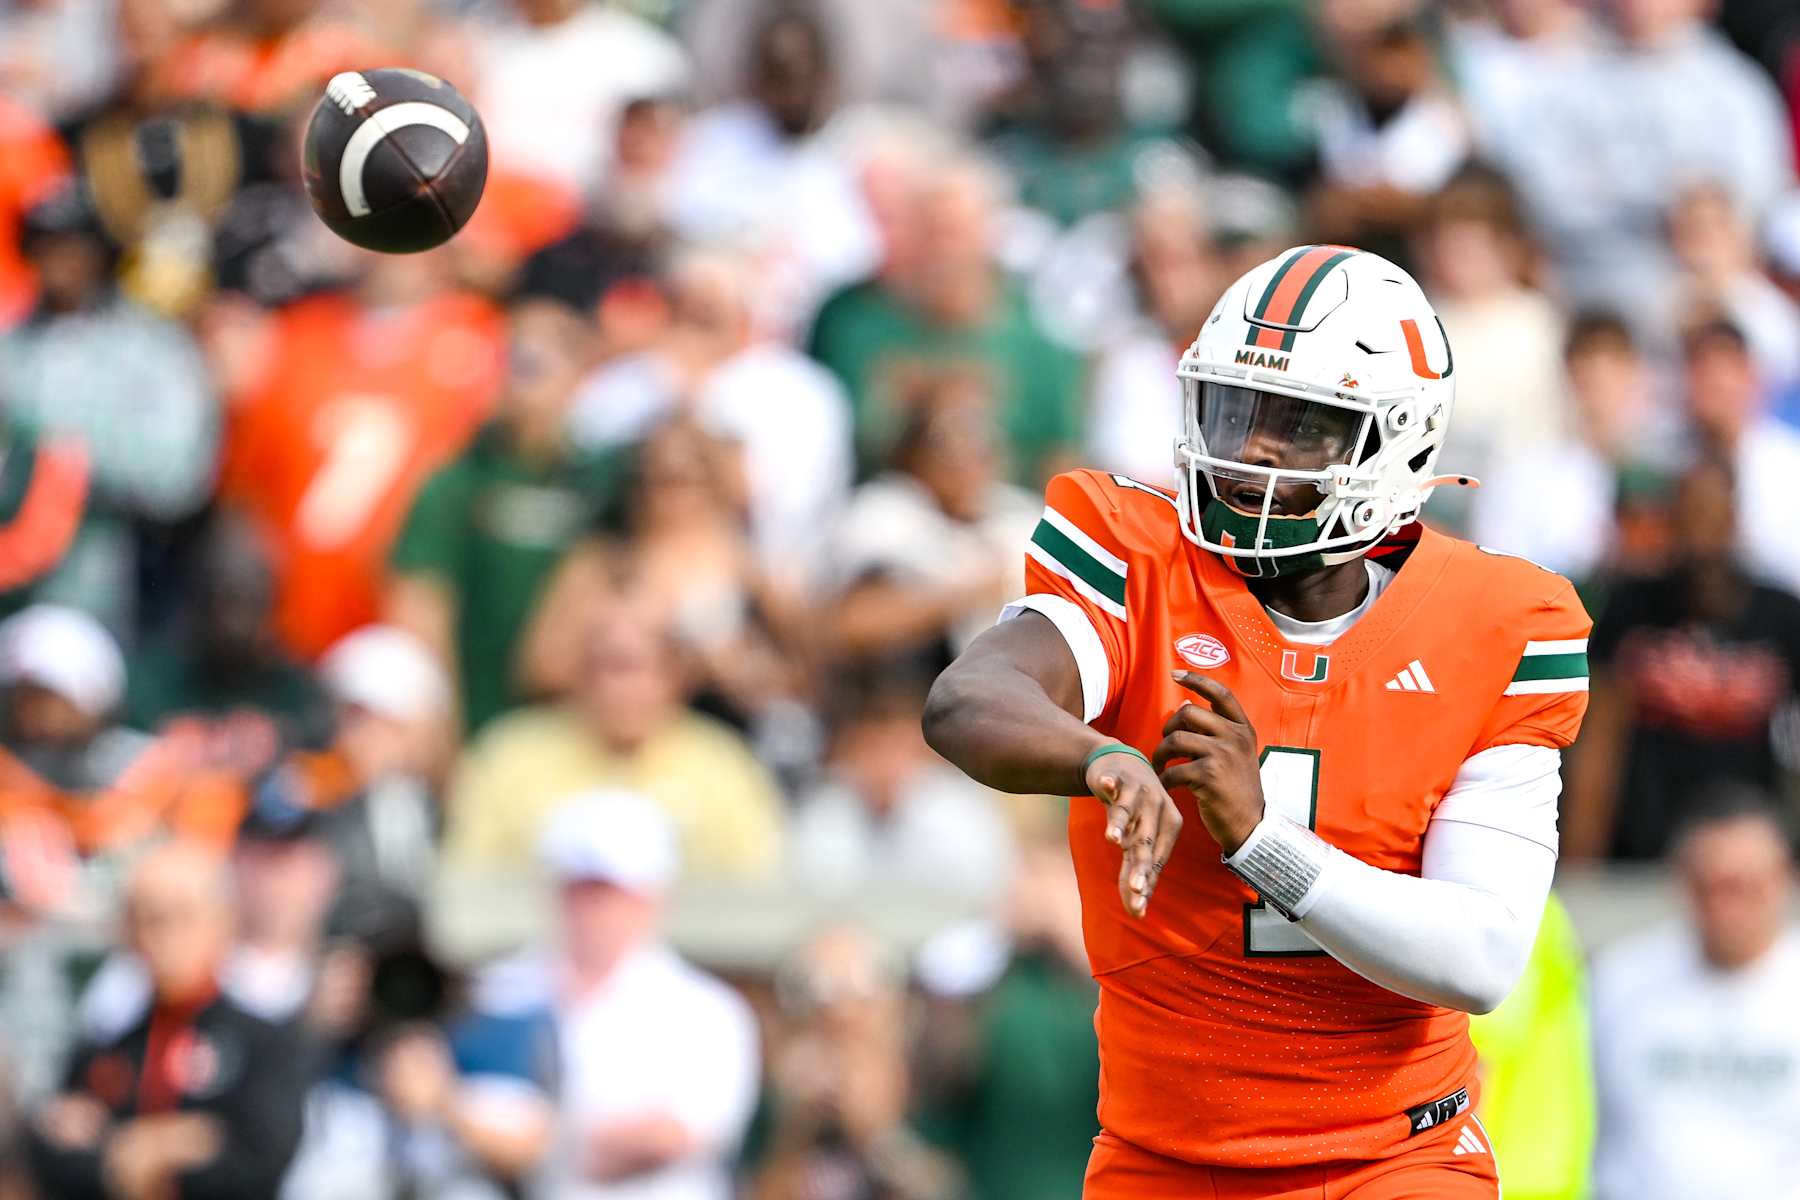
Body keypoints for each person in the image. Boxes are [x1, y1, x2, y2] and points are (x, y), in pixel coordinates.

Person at [924, 245, 1590, 1195]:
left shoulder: (1495, 623)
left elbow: (1479, 958)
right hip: (1163, 1158)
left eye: (1301, 424)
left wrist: (1261, 841)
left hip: (1393, 1159)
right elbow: (969, 699)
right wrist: (1100, 755)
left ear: (1395, 441)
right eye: (1239, 410)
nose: (1256, 448)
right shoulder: (1139, 557)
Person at [387, 294, 625, 732]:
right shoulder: (456, 481)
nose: (517, 378)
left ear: (580, 373)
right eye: (508, 360)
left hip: (573, 729)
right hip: (474, 719)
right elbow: (420, 612)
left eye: (535, 364)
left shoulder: (604, 482)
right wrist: (442, 730)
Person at [23, 841, 309, 1200]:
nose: (163, 937)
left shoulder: (266, 1042)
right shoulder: (107, 1044)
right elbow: (54, 1150)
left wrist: (157, 1154)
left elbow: (261, 1159)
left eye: (182, 916)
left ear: (221, 922)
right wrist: (143, 1150)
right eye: (147, 919)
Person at [440, 589, 783, 885]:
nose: (617, 687)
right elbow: (464, 885)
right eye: (602, 664)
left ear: (676, 675)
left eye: (631, 666)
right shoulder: (508, 758)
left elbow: (765, 888)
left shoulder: (723, 767)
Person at [1561, 458, 1800, 861]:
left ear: (1734, 519)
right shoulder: (1631, 608)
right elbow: (1599, 739)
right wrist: (1582, 856)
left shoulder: (1780, 616)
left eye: (1711, 517)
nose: (1700, 538)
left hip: (1750, 845)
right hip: (1646, 847)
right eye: (1689, 517)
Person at [533, 791, 760, 1200]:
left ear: (654, 897)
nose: (593, 909)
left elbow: (673, 1138)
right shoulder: (503, 992)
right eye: (580, 889)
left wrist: (540, 1140)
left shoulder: (708, 1011)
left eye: (611, 892)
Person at [1589, 788, 1800, 1199]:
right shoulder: (1619, 979)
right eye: (1710, 886)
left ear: (1783, 878)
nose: (1727, 907)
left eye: (1744, 885)